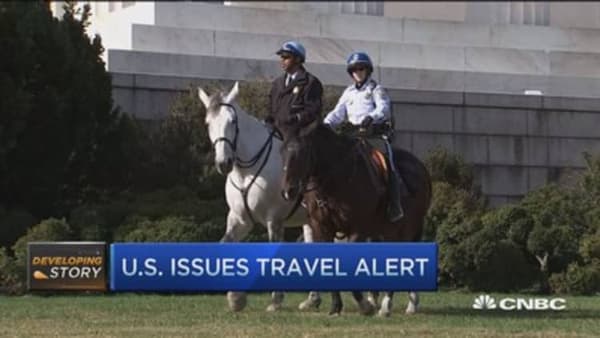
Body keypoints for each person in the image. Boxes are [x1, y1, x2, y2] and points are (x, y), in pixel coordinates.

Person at [323, 51, 406, 222]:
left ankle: (394, 205)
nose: (358, 72)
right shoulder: (348, 92)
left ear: (367, 70)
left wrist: (372, 117)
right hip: (353, 134)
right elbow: (338, 113)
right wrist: (325, 124)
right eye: (354, 69)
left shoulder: (376, 89)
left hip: (373, 134)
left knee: (386, 163)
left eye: (361, 68)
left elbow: (384, 108)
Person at [265, 41, 323, 137]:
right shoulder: (277, 83)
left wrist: (294, 118)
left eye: (286, 57)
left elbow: (313, 112)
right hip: (276, 134)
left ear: (298, 59)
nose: (282, 60)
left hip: (298, 137)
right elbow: (271, 108)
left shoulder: (310, 82)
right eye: (281, 57)